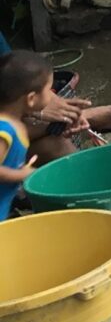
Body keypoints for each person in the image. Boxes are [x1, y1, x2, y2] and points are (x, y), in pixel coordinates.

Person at [0, 51, 54, 219]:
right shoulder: (4, 130)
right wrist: (23, 175)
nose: (52, 94)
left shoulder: (15, 123)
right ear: (31, 98)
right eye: (49, 90)